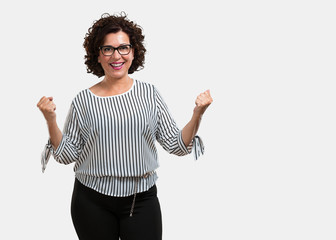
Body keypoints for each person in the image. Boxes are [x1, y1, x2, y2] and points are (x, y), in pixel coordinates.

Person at [37, 12, 213, 240]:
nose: (116, 55)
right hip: (91, 201)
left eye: (123, 48)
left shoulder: (149, 94)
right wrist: (50, 120)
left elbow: (177, 145)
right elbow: (66, 155)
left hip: (141, 200)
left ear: (133, 52)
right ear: (98, 56)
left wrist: (197, 114)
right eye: (107, 49)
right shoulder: (83, 100)